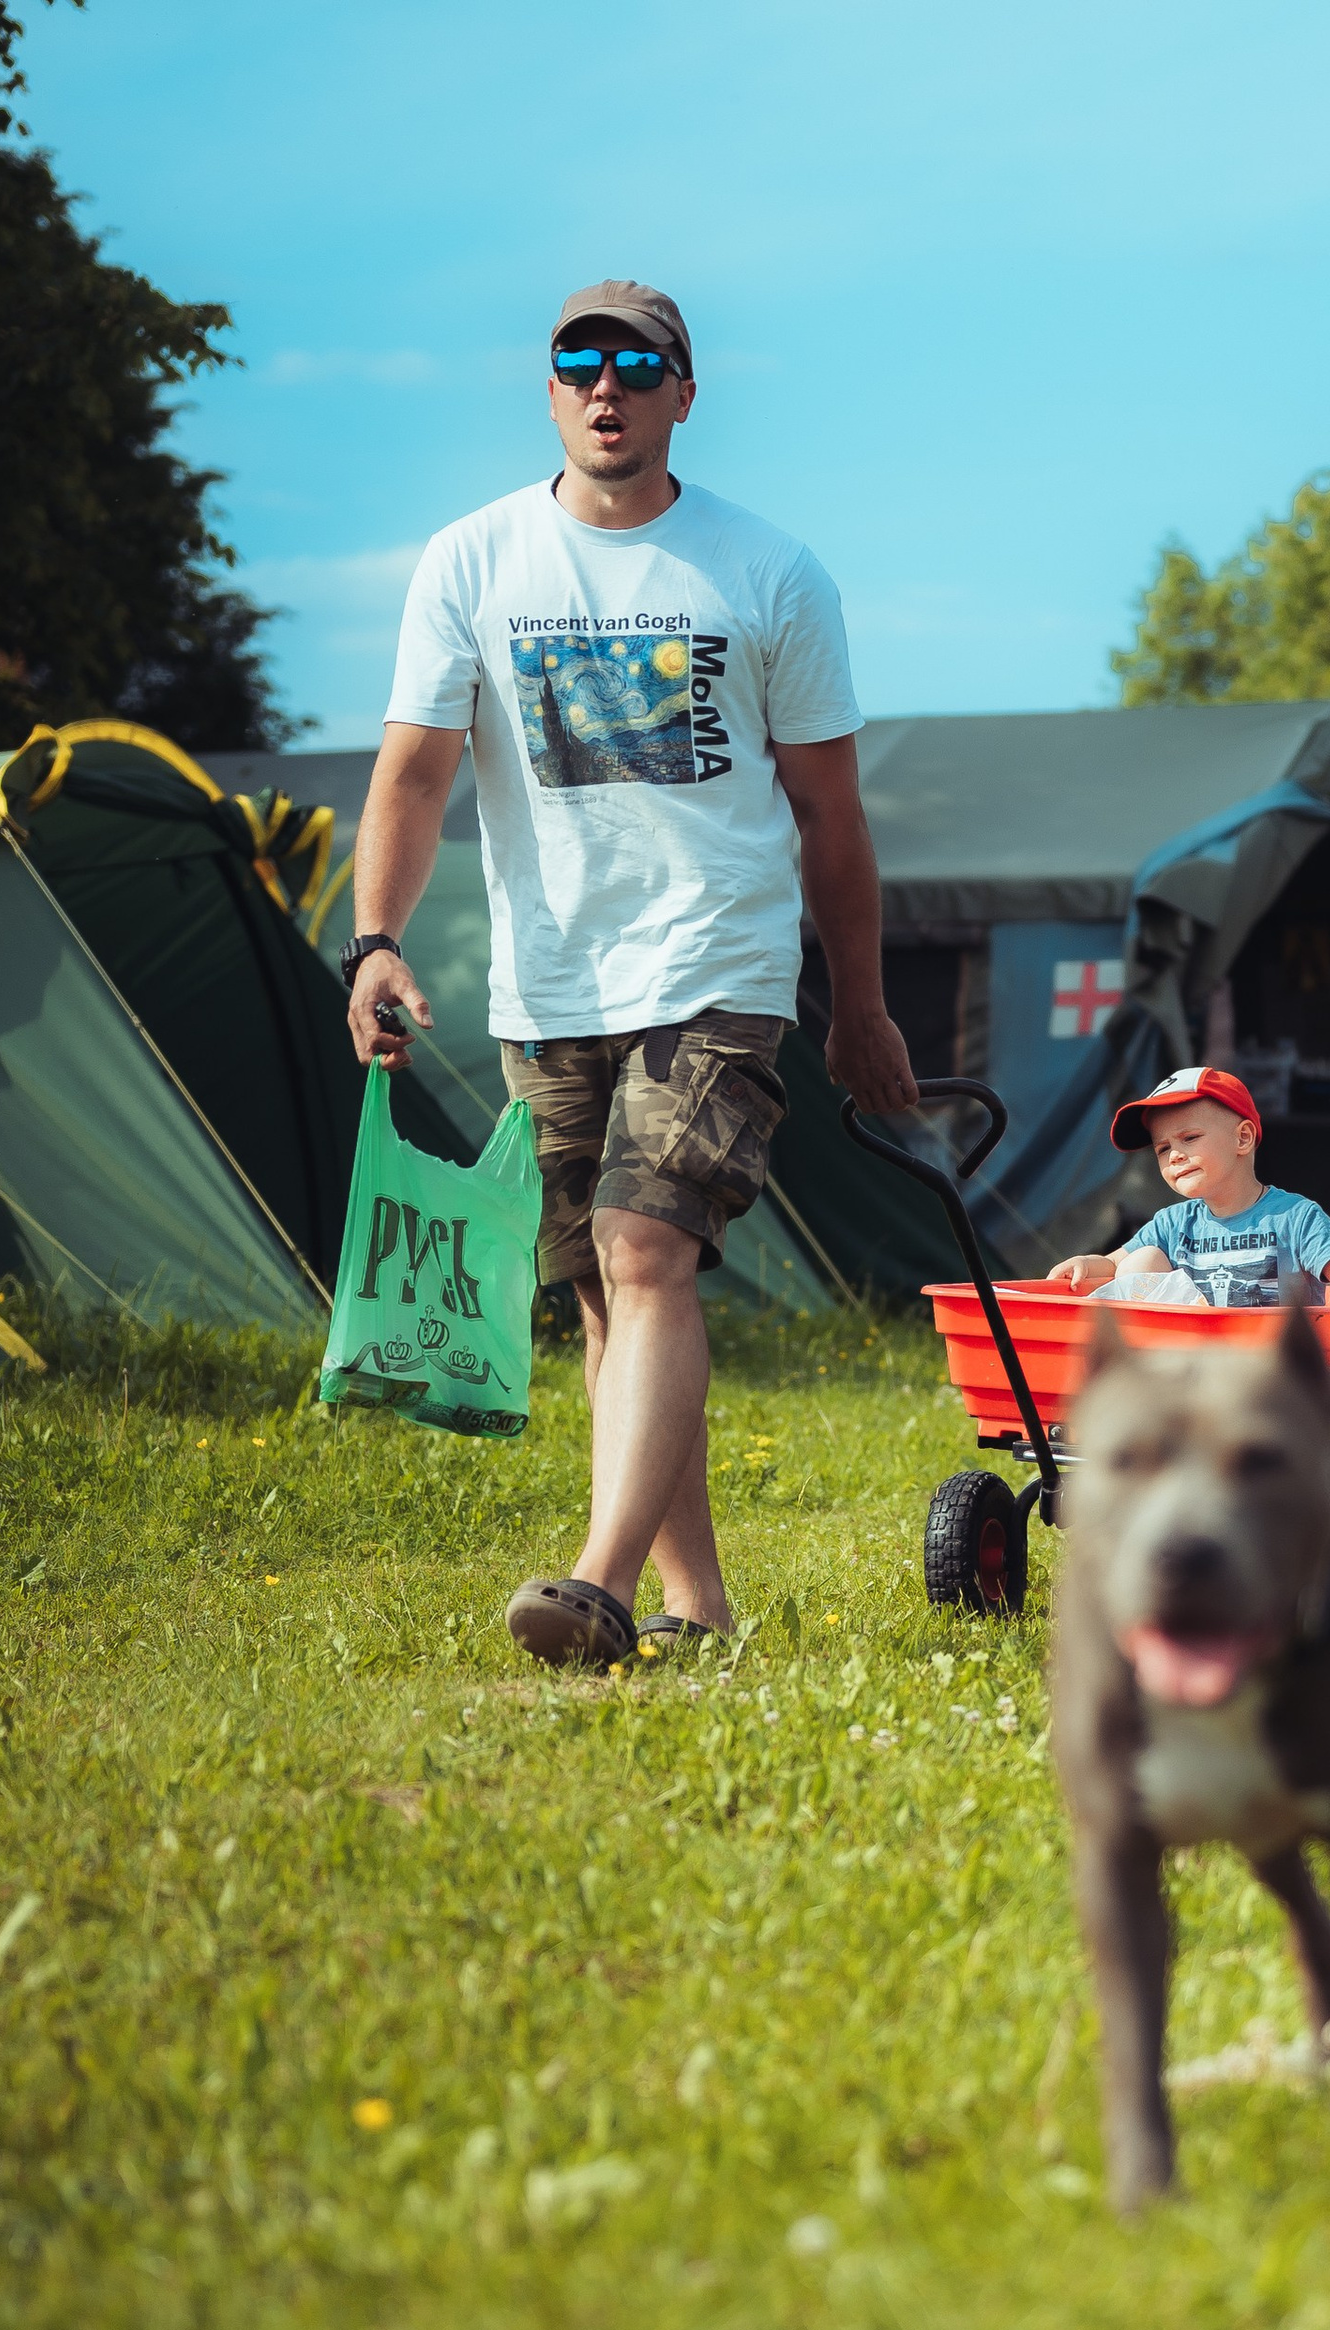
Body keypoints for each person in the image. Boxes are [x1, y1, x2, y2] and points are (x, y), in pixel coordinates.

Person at [340, 277, 916, 1665]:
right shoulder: (472, 560)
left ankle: (594, 1586)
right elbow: (413, 775)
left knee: (647, 1248)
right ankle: (696, 1605)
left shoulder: (768, 572)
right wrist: (375, 938)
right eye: (581, 362)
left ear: (683, 394)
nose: (609, 385)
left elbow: (832, 814)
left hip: (715, 967)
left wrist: (861, 1003)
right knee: (608, 1295)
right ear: (550, 391)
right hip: (549, 984)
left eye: (640, 366)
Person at [1049, 1065, 1330, 1315]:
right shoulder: (1173, 1222)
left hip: (1276, 1365)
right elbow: (1115, 1263)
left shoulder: (1294, 1216)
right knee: (1140, 1260)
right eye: (1162, 1148)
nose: (1174, 1155)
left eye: (1190, 1138)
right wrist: (1084, 1263)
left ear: (1242, 1138)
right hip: (1196, 1361)